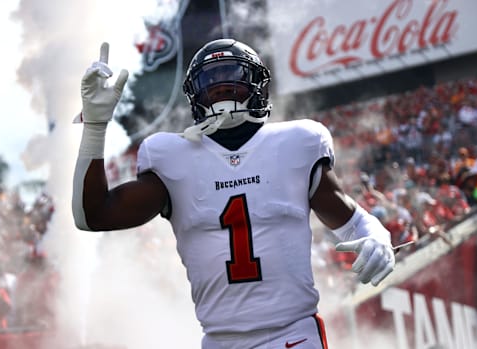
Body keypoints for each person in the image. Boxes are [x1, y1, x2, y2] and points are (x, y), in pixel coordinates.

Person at [72, 39, 396, 349]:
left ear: (257, 84)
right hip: (220, 341)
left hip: (292, 334)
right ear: (194, 95)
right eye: (211, 80)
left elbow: (351, 218)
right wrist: (96, 126)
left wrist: (375, 233)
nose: (222, 86)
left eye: (233, 77)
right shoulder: (171, 156)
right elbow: (94, 216)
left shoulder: (297, 143)